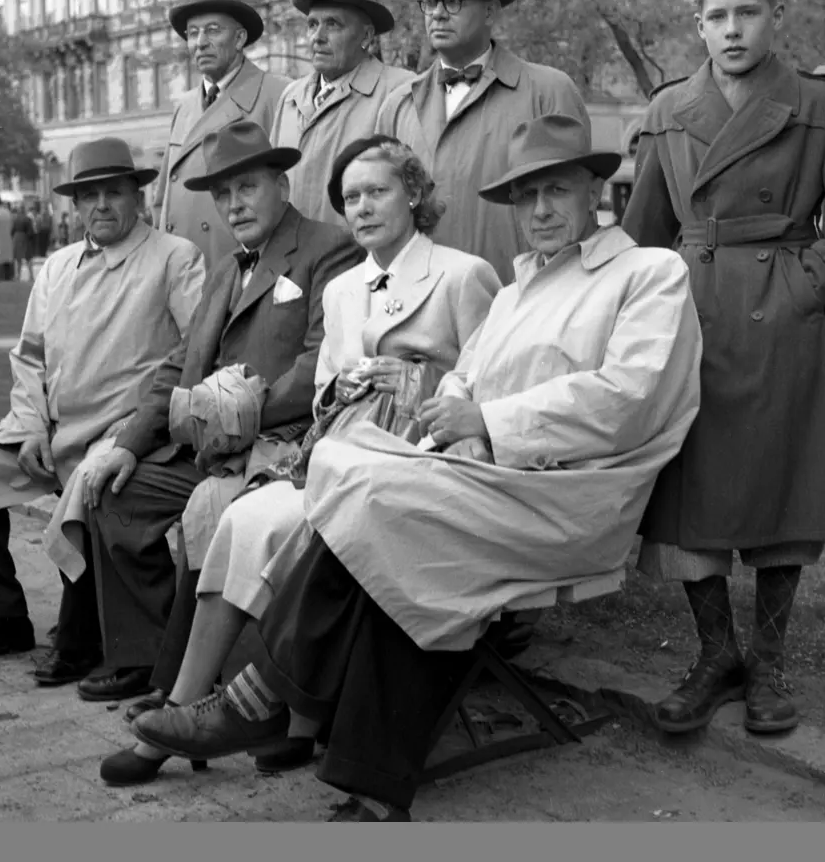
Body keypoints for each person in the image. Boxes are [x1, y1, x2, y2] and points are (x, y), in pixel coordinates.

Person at [126, 114, 703, 820]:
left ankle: (264, 698)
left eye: (556, 191)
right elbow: (465, 378)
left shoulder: (648, 273)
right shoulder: (521, 291)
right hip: (486, 481)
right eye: (525, 198)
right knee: (356, 479)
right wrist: (452, 411)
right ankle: (363, 772)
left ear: (595, 192)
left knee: (372, 500)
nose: (541, 211)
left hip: (573, 499)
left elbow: (630, 399)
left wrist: (488, 421)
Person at [99, 135, 500, 786]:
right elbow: (326, 391)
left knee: (296, 526)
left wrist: (411, 383)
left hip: (418, 462)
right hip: (341, 448)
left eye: (378, 192)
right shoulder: (344, 290)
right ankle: (180, 711)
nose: (363, 207)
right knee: (247, 520)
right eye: (350, 198)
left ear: (416, 194)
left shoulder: (462, 274)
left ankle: (278, 716)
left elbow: (484, 381)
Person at [619, 0, 825, 737]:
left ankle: (767, 664)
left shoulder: (823, 107)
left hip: (787, 327)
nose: (732, 29)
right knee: (690, 498)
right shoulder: (669, 111)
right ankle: (716, 656)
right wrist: (644, 309)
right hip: (692, 323)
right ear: (697, 26)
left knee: (782, 495)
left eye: (748, 12)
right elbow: (643, 235)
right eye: (716, 16)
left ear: (776, 16)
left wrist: (802, 288)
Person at [0, 138, 206, 684]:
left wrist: (133, 435)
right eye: (89, 195)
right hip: (46, 432)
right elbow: (30, 357)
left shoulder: (174, 258)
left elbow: (196, 355)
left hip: (119, 434)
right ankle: (1, 618)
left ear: (139, 196)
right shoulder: (58, 266)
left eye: (115, 192)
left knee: (90, 492)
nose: (102, 205)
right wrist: (30, 426)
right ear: (74, 204)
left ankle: (81, 638)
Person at [76, 120, 361, 704]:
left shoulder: (327, 249)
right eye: (223, 194)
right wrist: (128, 443)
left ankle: (191, 687)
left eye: (247, 188)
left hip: (276, 447)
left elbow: (318, 363)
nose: (233, 205)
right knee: (116, 493)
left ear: (282, 186)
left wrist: (231, 420)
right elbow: (178, 366)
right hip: (206, 447)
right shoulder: (227, 267)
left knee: (217, 512)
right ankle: (148, 657)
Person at [375, 0, 590, 283]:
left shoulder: (548, 91)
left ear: (491, 10)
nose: (438, 13)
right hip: (417, 309)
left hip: (518, 303)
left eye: (453, 0)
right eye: (430, 3)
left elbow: (576, 210)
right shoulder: (397, 106)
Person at [153, 0, 289, 269]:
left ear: (239, 38)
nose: (200, 42)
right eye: (192, 33)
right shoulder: (184, 106)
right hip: (180, 273)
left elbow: (291, 196)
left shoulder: (278, 96)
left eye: (213, 30)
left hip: (242, 273)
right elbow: (162, 201)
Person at [270, 0, 413, 224]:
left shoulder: (399, 92)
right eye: (312, 24)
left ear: (367, 36)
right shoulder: (290, 97)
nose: (318, 37)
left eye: (333, 24)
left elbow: (411, 192)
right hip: (290, 259)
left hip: (360, 258)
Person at [11, 205, 36, 281]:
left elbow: (12, 231)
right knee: (28, 257)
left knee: (18, 259)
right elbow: (31, 231)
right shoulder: (27, 219)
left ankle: (18, 276)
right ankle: (31, 276)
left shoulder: (15, 219)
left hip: (16, 238)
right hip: (25, 238)